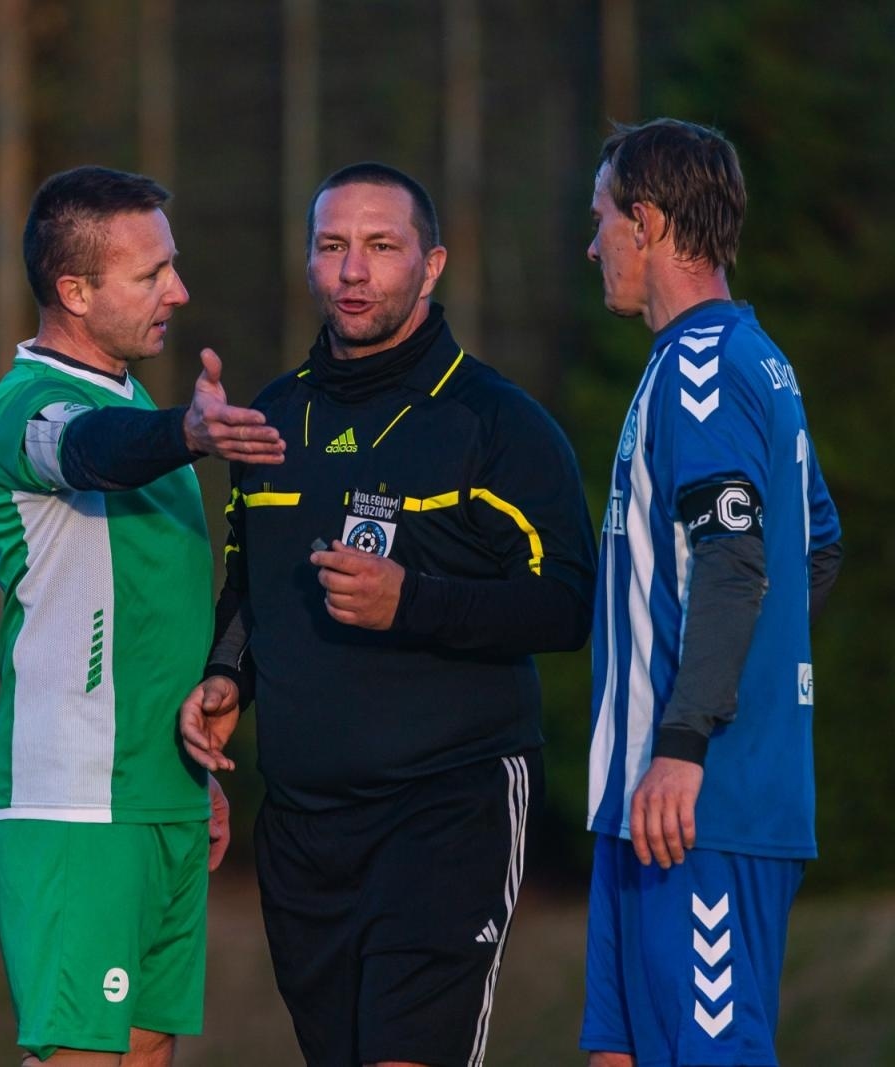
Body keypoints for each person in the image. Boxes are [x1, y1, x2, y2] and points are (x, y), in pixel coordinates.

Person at [181, 162, 596, 1067]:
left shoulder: (496, 423)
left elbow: (568, 604)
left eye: (381, 247)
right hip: (302, 829)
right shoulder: (274, 416)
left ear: (432, 263)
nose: (354, 272)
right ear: (308, 262)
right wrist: (226, 674)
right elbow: (251, 588)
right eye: (333, 247)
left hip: (450, 804)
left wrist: (412, 601)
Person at [0, 165, 283, 1067]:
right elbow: (86, 452)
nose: (178, 292)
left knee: (145, 1051)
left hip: (162, 794)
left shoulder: (134, 402)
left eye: (172, 267)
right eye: (151, 274)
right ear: (74, 291)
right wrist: (187, 431)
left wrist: (195, 779)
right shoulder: (22, 409)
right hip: (75, 799)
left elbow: (158, 613)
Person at [579, 119, 844, 1067]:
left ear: (646, 222)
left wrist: (693, 735)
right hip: (644, 804)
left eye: (602, 217)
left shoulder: (705, 367)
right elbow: (813, 544)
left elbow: (738, 559)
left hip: (698, 803)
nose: (592, 243)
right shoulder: (738, 360)